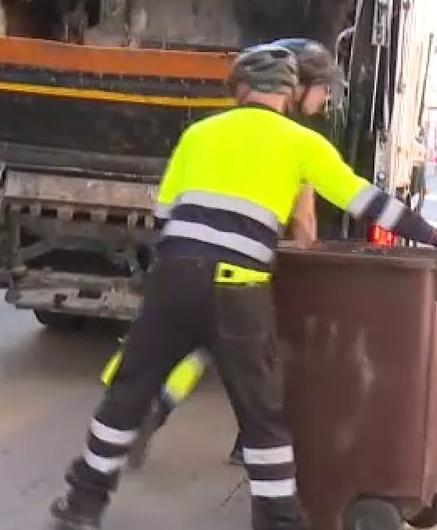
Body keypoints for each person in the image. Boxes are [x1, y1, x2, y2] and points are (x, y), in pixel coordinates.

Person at [52, 43, 437, 530]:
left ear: (242, 89)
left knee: (127, 391)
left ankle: (85, 502)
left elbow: (166, 212)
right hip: (240, 289)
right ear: (287, 92)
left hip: (175, 279)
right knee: (263, 417)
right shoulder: (303, 143)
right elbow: (365, 200)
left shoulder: (198, 134)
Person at [103, 37, 342, 471]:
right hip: (243, 267)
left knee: (190, 342)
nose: (324, 102)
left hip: (186, 256)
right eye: (323, 90)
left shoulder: (223, 126)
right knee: (254, 354)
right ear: (300, 87)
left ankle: (145, 409)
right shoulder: (294, 137)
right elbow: (304, 221)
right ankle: (251, 443)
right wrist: (302, 259)